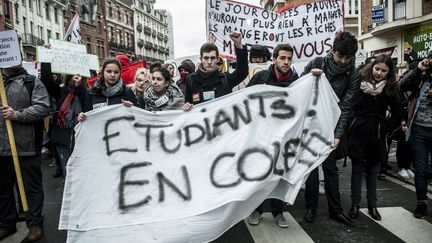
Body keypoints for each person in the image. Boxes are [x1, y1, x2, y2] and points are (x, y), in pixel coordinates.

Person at [302, 31, 360, 227]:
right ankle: (310, 207)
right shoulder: (317, 63)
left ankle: (336, 210)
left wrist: (337, 135)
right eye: (339, 56)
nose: (343, 61)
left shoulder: (353, 73)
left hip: (332, 126)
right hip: (311, 123)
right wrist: (311, 77)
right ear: (332, 51)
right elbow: (299, 89)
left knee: (330, 169)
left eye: (347, 58)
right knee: (310, 167)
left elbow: (346, 106)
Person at [246, 43, 298, 228]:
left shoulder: (297, 81)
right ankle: (257, 209)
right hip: (262, 135)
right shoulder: (261, 77)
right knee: (259, 174)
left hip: (283, 137)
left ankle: (278, 211)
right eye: (282, 58)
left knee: (279, 174)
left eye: (289, 58)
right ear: (274, 59)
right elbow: (246, 100)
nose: (286, 62)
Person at [0, 62, 50, 241]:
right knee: (3, 189)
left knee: (31, 188)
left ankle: (35, 224)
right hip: (1, 147)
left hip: (26, 146)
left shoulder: (31, 82)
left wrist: (17, 115)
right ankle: (7, 223)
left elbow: (43, 107)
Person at [348, 55, 401, 221]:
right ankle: (355, 205)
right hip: (358, 132)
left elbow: (398, 112)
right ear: (372, 67)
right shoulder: (359, 82)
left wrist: (385, 128)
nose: (379, 73)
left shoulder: (390, 88)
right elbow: (349, 105)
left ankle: (372, 206)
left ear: (388, 72)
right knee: (356, 171)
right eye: (377, 69)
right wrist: (352, 123)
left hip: (377, 134)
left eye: (384, 71)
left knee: (372, 172)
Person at [40, 62, 92, 177]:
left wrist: (79, 88)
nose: (75, 76)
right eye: (73, 73)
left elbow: (88, 111)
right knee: (68, 173)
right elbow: (46, 80)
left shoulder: (86, 93)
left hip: (80, 140)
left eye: (78, 74)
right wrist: (46, 59)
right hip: (62, 139)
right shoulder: (60, 91)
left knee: (82, 173)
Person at [399, 51, 432, 219]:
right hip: (419, 129)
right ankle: (421, 203)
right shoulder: (421, 77)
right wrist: (418, 69)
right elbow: (401, 86)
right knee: (420, 169)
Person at [182, 31, 248, 110]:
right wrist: (186, 106)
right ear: (201, 59)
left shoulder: (225, 79)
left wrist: (238, 45)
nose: (209, 62)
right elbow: (188, 103)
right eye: (206, 58)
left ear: (217, 59)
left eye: (212, 58)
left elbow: (242, 72)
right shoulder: (191, 79)